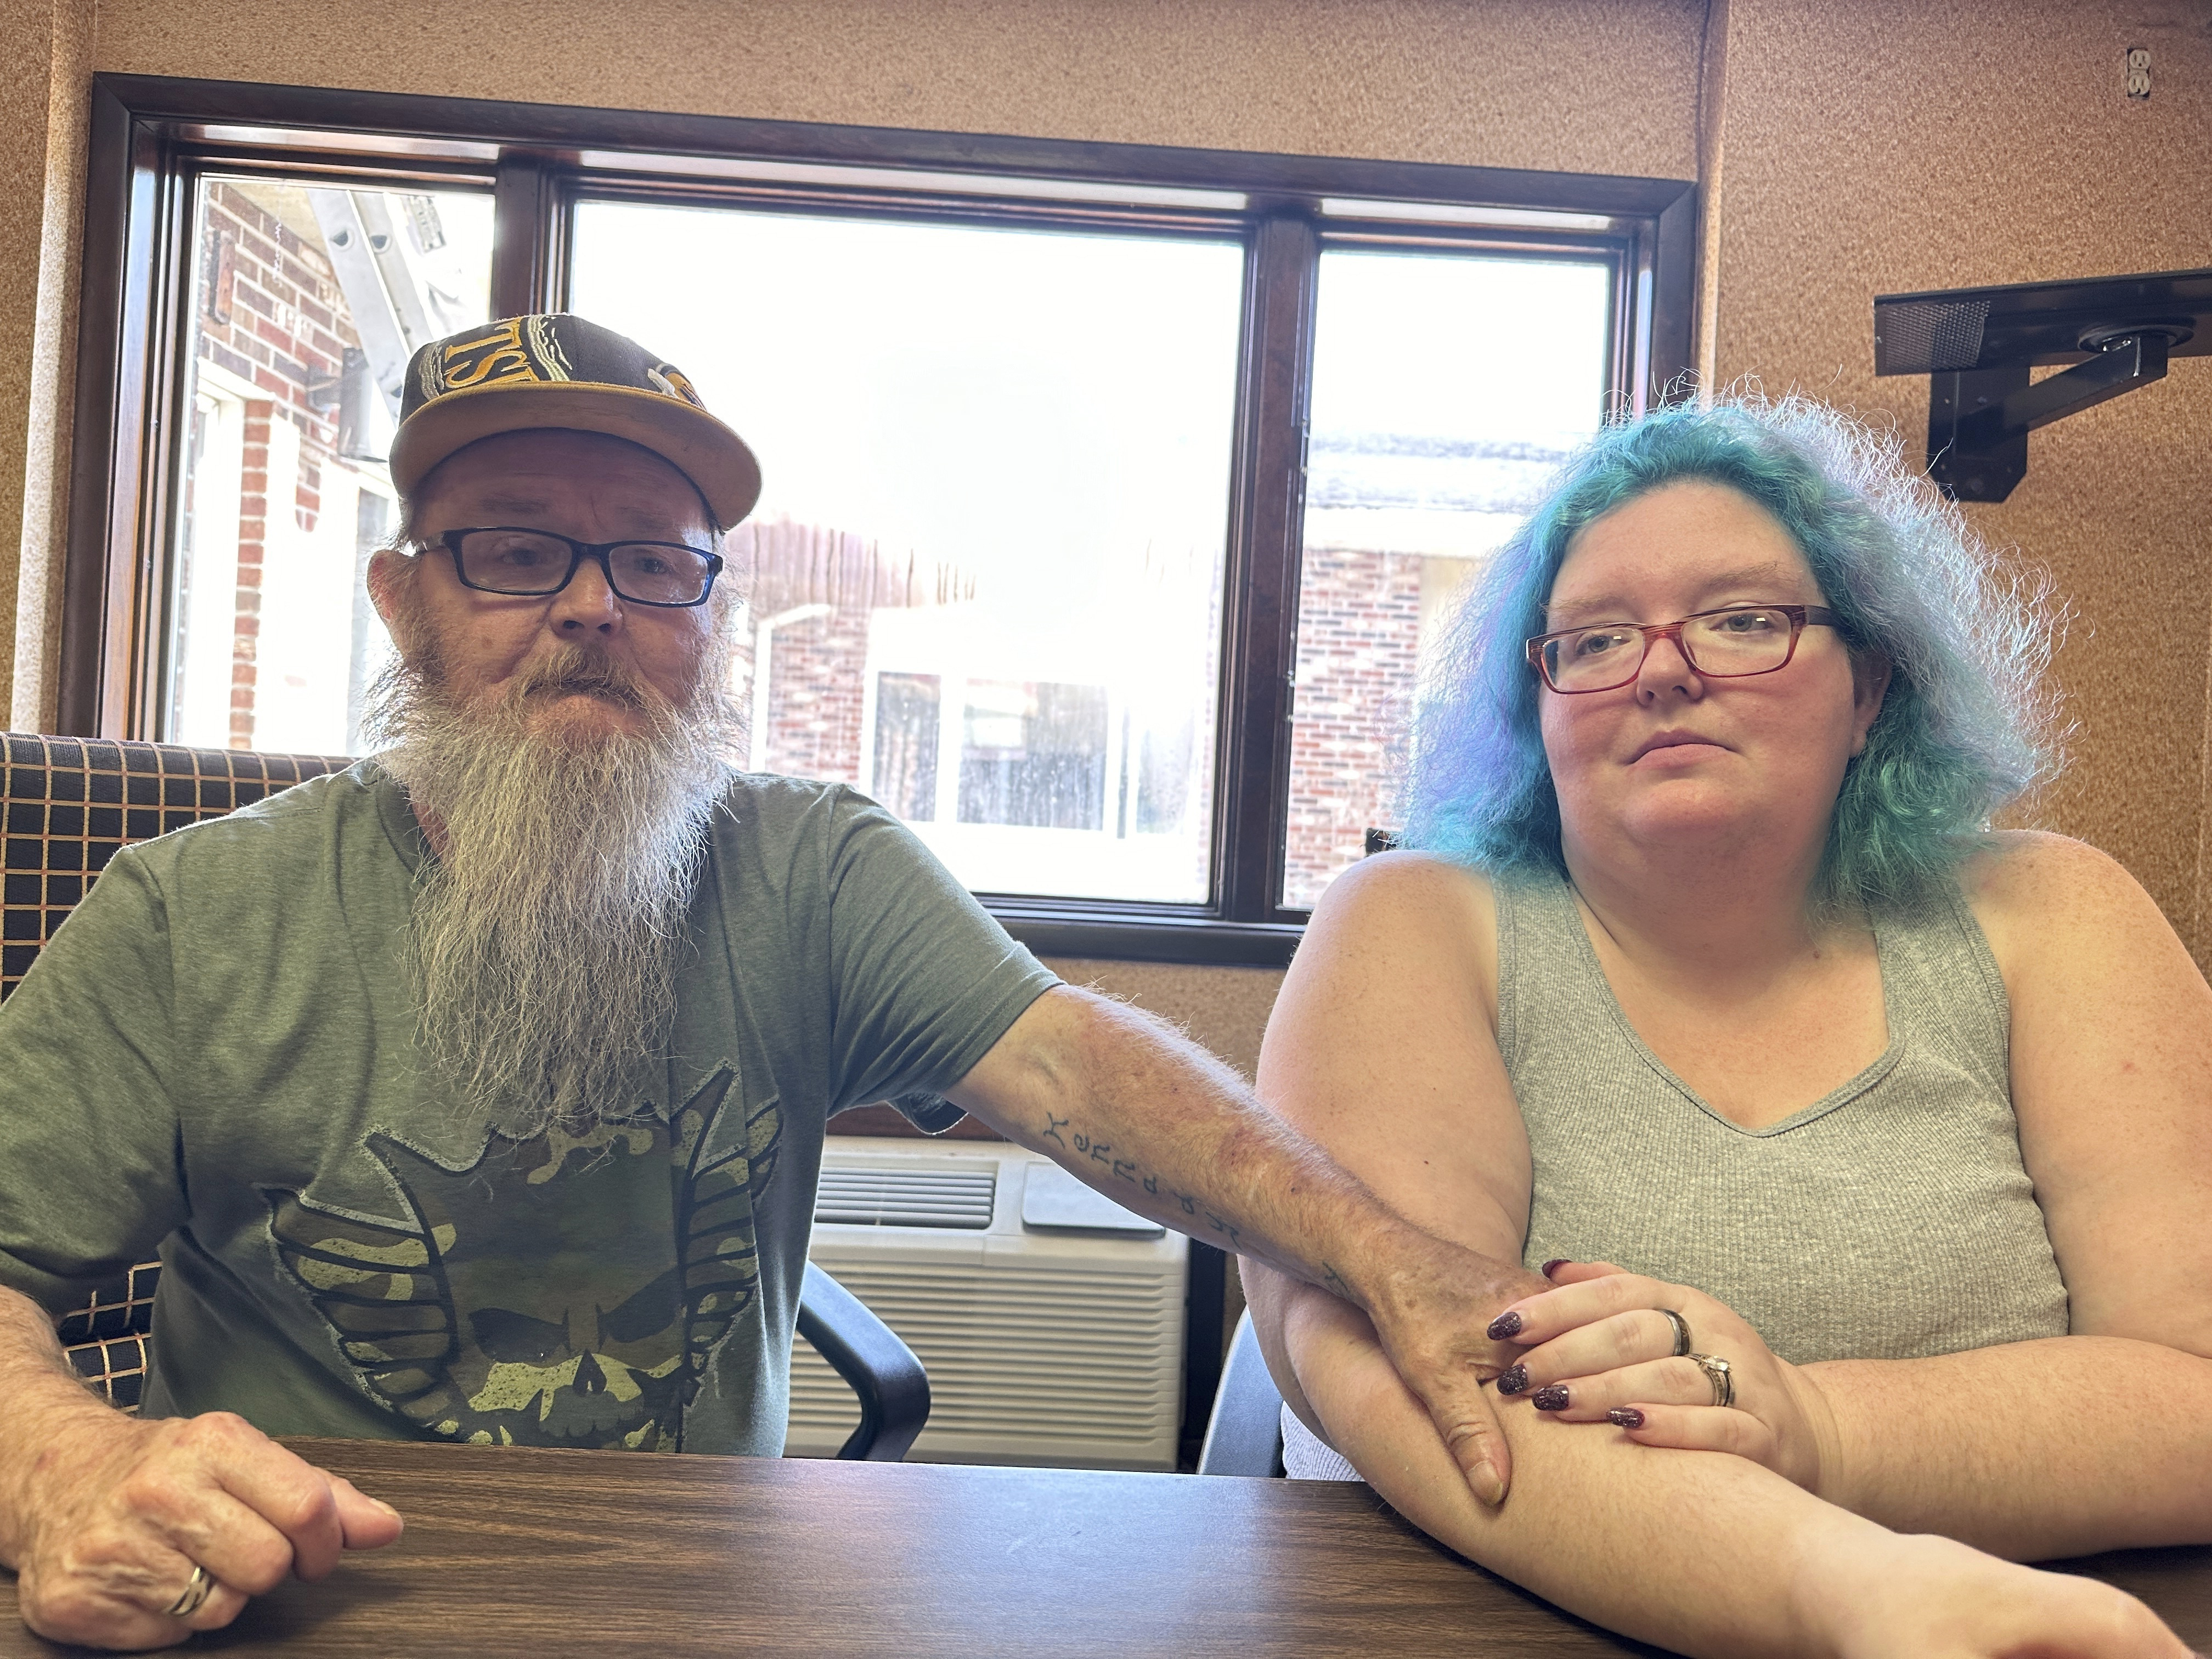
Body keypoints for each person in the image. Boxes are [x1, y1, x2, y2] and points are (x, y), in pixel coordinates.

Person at [0, 314, 1543, 1651]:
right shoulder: (190, 915)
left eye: (654, 563)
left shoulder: (810, 868)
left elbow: (1073, 1071)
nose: (593, 606)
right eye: (519, 551)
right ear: (405, 602)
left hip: (699, 1597)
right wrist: (66, 1460)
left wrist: (1390, 1258)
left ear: (705, 617)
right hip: (297, 1602)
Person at [1243, 397, 2212, 1657]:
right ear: (1536, 709)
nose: (1660, 669)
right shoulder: (1412, 924)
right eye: (1590, 641)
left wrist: (1819, 1426)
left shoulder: (2055, 912)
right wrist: (1850, 1581)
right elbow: (1424, 1379)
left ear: (1871, 687)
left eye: (1744, 620)